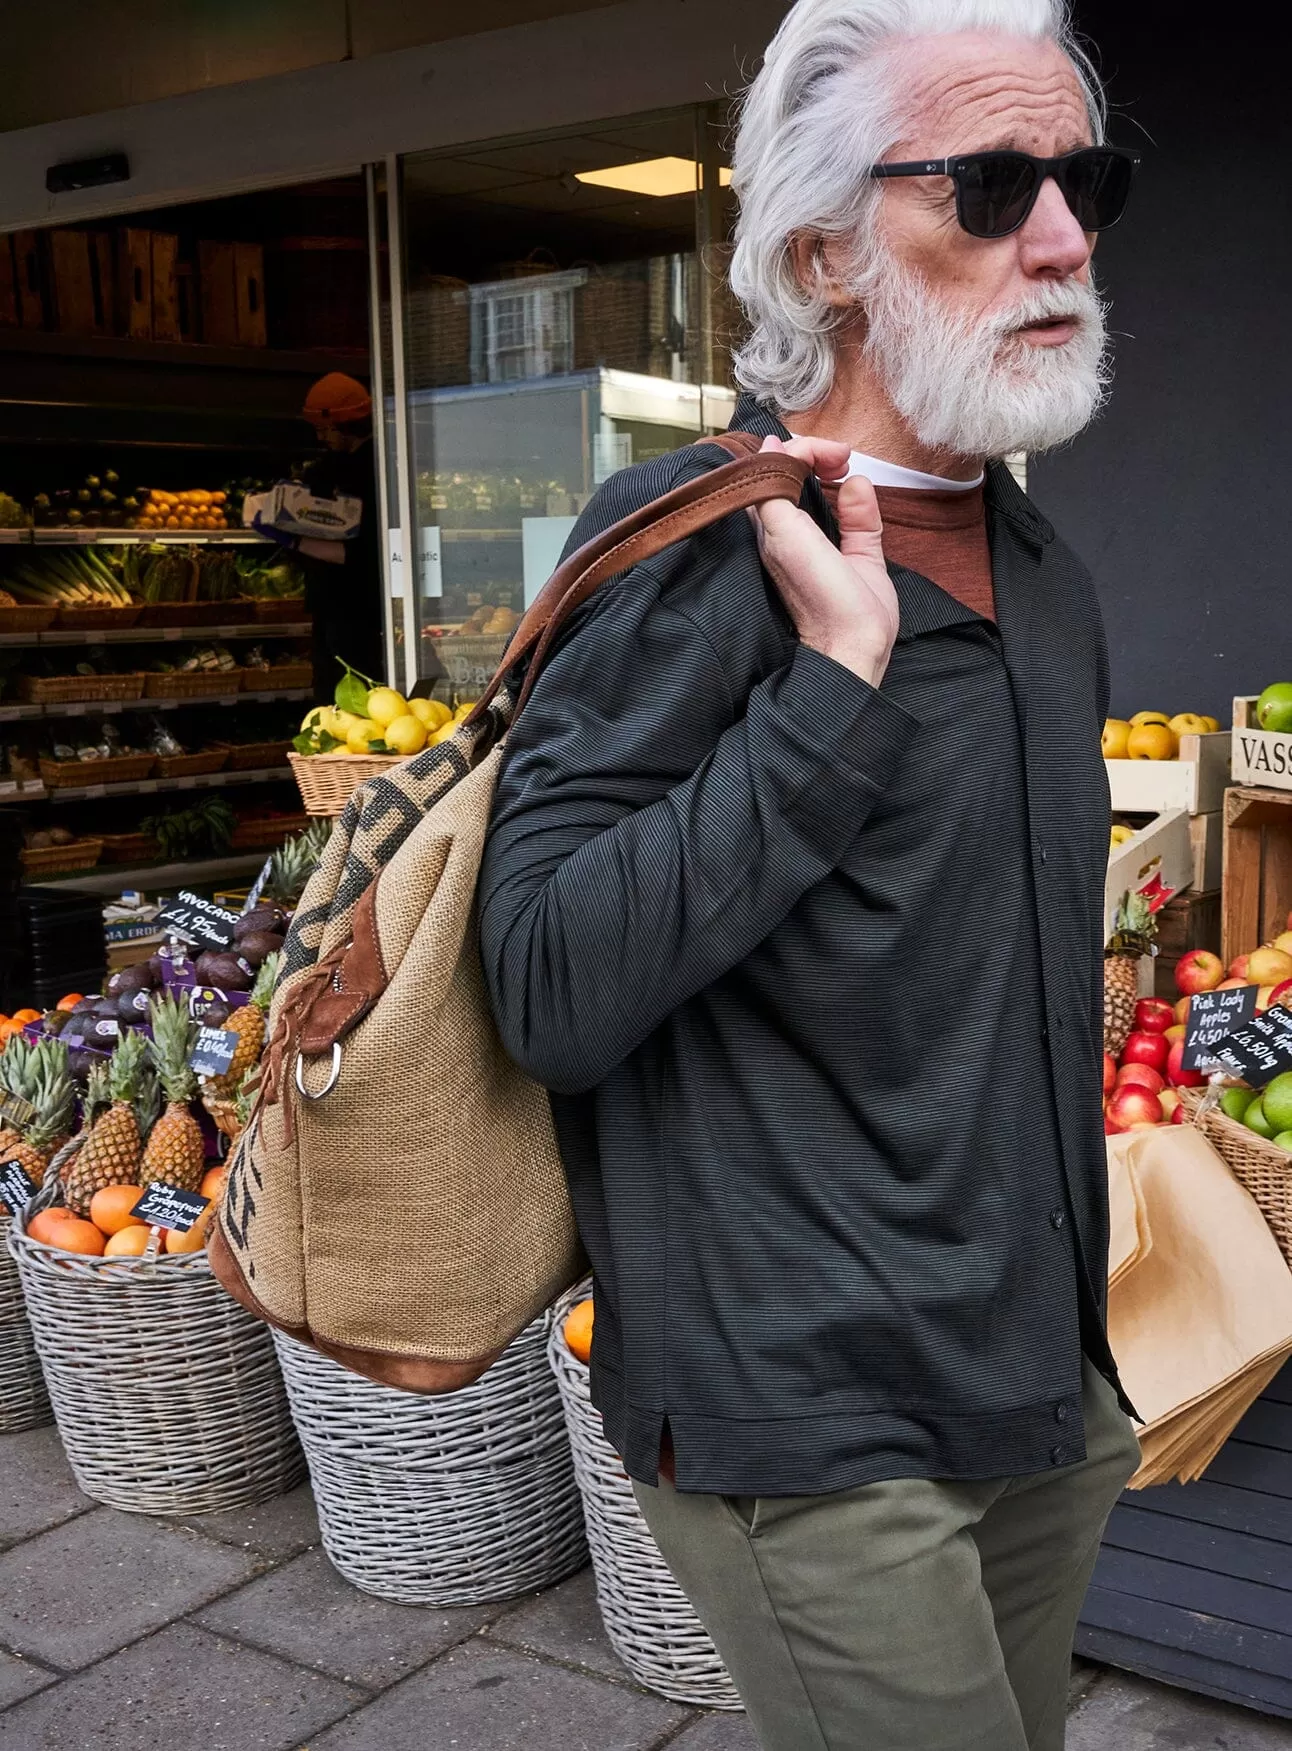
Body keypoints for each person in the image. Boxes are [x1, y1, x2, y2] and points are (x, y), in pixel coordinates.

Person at [479, 2, 1142, 1744]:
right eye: (989, 187)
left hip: (1045, 1392)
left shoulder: (1044, 568)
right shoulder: (696, 550)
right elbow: (546, 982)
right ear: (823, 252)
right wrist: (826, 695)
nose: (1060, 235)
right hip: (810, 1417)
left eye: (1080, 179)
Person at [298, 372, 385, 689]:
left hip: (354, 607)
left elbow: (359, 552)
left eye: (325, 429)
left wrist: (295, 539)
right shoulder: (342, 466)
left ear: (346, 425)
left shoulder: (367, 471)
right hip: (341, 605)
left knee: (346, 689)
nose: (321, 438)